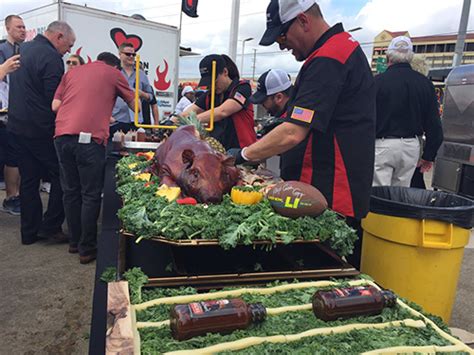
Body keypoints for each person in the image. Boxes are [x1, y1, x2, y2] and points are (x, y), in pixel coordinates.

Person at [228, 0, 376, 268]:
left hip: (331, 194)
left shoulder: (330, 58)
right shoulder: (339, 49)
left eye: (282, 36)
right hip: (332, 187)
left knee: (324, 275)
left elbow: (292, 133)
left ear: (303, 21)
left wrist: (243, 154)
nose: (281, 45)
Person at [52, 52, 135, 264]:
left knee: (71, 191)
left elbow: (56, 105)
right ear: (114, 65)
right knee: (90, 194)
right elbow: (133, 102)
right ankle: (87, 249)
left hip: (61, 136)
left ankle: (74, 241)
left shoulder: (72, 73)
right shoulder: (113, 73)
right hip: (89, 139)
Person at [8, 21, 76, 245]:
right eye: (69, 45)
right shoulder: (51, 58)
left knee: (29, 180)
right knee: (62, 176)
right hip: (40, 129)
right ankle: (51, 226)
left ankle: (29, 233)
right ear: (58, 37)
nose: (69, 51)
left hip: (17, 126)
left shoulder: (23, 49)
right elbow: (54, 99)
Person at [373, 36, 443, 187]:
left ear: (388, 56)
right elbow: (434, 124)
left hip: (381, 145)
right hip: (411, 146)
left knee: (377, 195)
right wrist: (429, 155)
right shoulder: (425, 84)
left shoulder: (377, 83)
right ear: (410, 57)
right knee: (401, 194)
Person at [183, 54, 256, 150]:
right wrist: (172, 122)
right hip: (218, 153)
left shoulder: (242, 88)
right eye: (209, 83)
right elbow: (187, 113)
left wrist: (192, 120)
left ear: (225, 72)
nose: (212, 86)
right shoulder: (210, 96)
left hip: (242, 152)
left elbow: (223, 111)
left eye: (215, 81)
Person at [250, 68, 307, 179]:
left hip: (304, 179)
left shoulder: (298, 112)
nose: (263, 106)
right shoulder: (284, 113)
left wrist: (244, 155)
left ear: (279, 97)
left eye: (263, 101)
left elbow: (290, 137)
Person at [0, 14, 26, 215]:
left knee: (15, 156)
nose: (22, 30)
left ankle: (14, 196)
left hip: (18, 114)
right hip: (2, 113)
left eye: (24, 26)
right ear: (8, 28)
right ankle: (10, 197)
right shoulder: (1, 49)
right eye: (18, 27)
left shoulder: (26, 51)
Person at [110, 42, 153, 134]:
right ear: (120, 54)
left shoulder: (141, 74)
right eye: (128, 54)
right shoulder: (114, 73)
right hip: (117, 119)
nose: (131, 56)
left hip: (136, 121)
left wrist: (142, 94)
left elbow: (151, 97)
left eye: (133, 54)